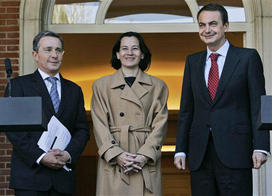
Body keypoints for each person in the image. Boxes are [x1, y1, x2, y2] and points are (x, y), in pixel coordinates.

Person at [174, 3, 270, 196]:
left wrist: (261, 146)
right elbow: (186, 110)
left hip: (236, 151)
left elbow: (262, 104)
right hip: (200, 154)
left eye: (213, 24)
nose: (207, 30)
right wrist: (180, 149)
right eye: (202, 25)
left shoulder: (247, 57)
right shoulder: (192, 62)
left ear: (226, 26)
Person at [6, 31, 90, 196]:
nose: (54, 55)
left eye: (58, 50)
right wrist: (41, 156)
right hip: (30, 178)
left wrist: (68, 154)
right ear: (35, 55)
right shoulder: (18, 86)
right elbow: (14, 130)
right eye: (48, 49)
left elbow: (82, 130)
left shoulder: (74, 90)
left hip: (63, 178)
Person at [91, 31, 168, 196]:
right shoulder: (101, 86)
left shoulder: (158, 86)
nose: (129, 53)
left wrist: (144, 155)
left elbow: (160, 124)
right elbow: (99, 124)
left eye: (135, 48)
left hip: (144, 161)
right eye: (124, 48)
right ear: (117, 54)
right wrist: (116, 154)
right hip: (114, 161)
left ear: (142, 54)